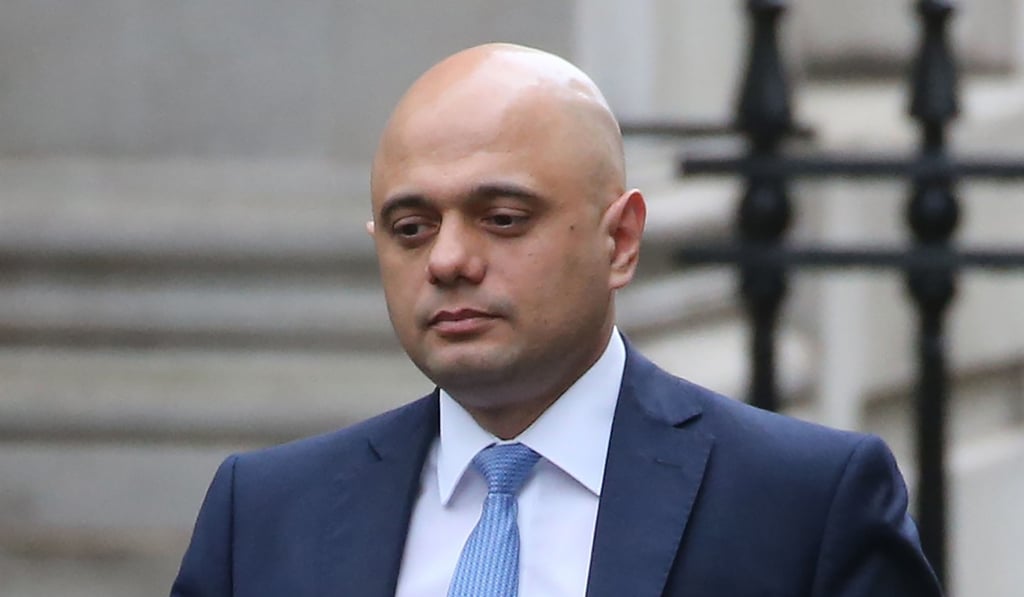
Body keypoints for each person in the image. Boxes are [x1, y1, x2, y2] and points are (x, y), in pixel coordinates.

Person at [171, 43, 942, 596]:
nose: (447, 260)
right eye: (412, 228)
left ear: (622, 239)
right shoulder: (264, 515)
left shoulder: (805, 504)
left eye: (502, 217)